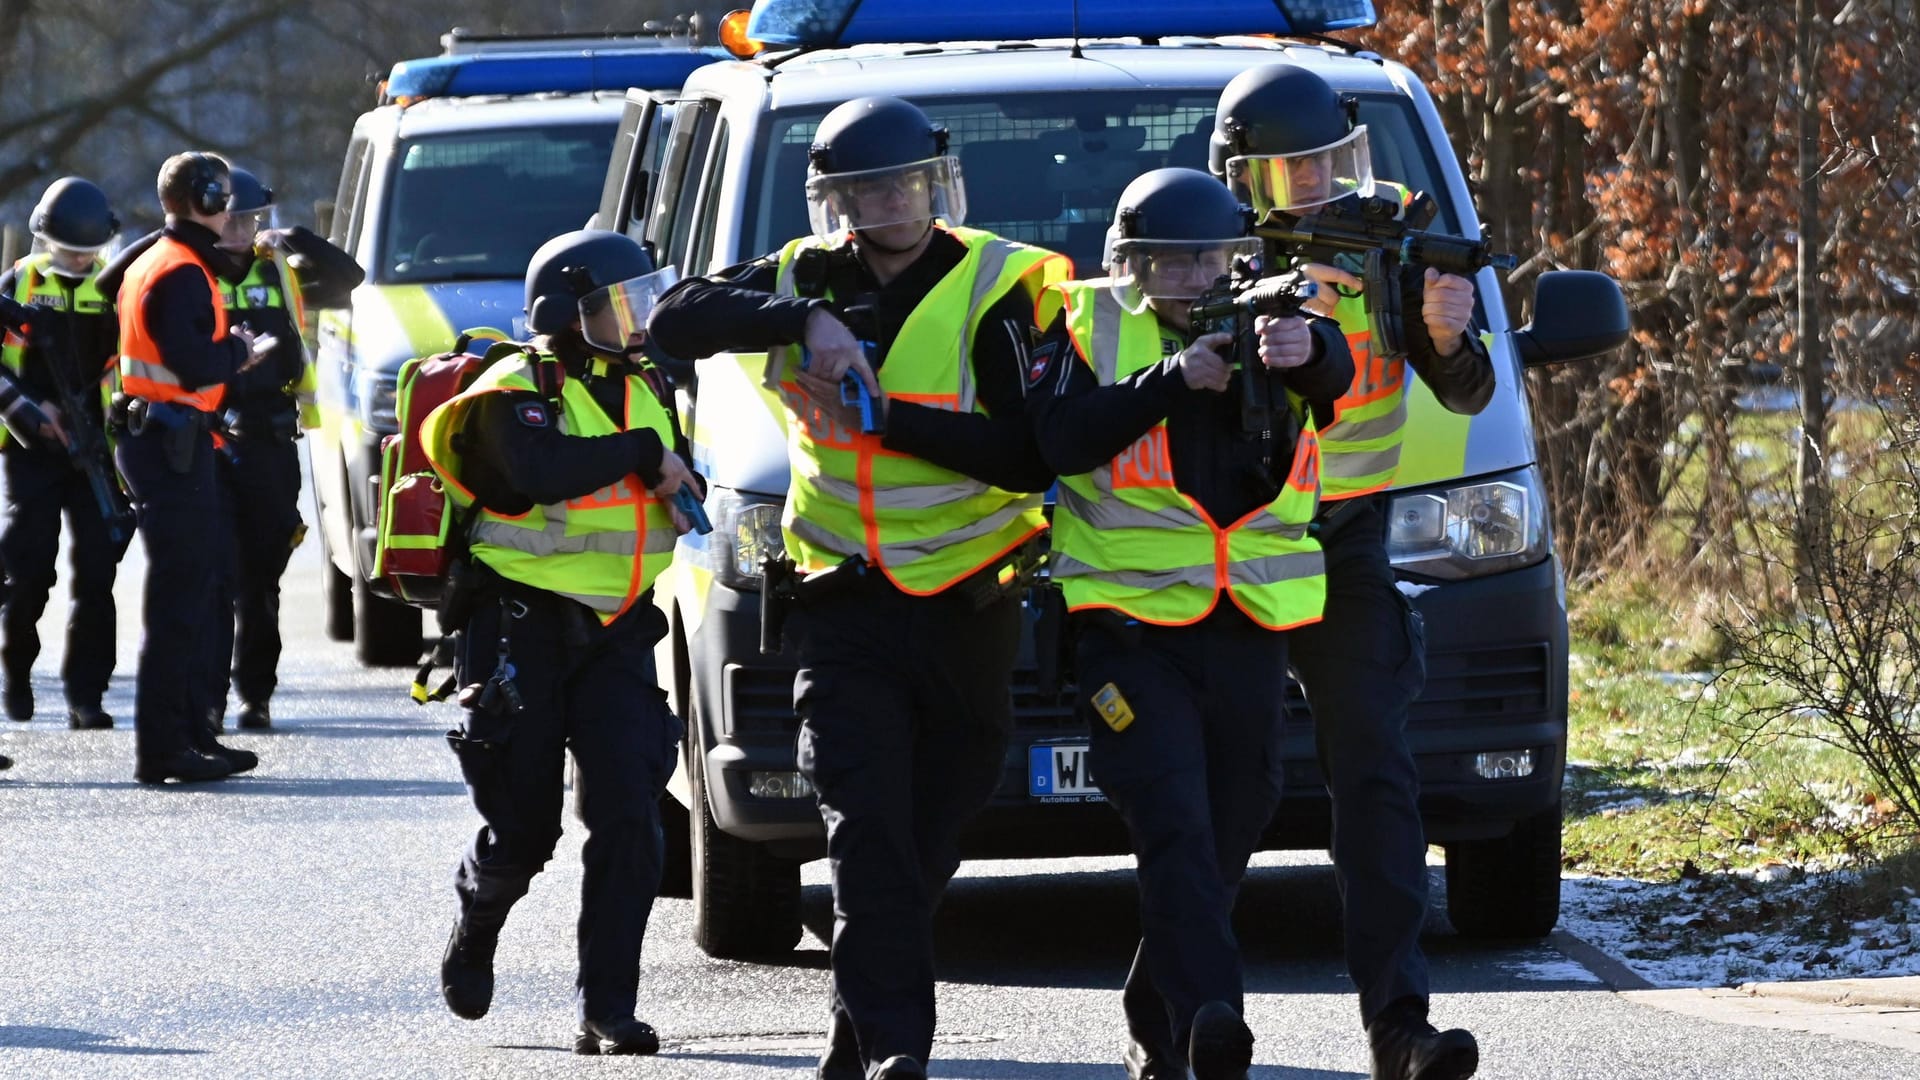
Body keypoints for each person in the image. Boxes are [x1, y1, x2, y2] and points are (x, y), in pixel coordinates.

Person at [648, 95, 1065, 1080]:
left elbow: (1026, 452)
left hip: (968, 607)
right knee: (863, 827)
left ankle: (857, 1024)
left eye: (904, 184)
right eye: (864, 189)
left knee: (925, 837)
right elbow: (673, 318)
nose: (887, 205)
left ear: (936, 186)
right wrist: (807, 319)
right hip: (842, 604)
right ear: (833, 199)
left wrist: (889, 423)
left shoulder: (1001, 285)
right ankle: (895, 1049)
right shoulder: (802, 274)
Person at [1026, 168, 1353, 1080]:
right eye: (1166, 262)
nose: (1191, 275)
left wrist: (1304, 352)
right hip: (1124, 630)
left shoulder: (1274, 314)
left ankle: (1153, 999)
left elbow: (1337, 371)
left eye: (1209, 257)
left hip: (1246, 618)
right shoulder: (1085, 326)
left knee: (1241, 809)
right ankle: (1215, 1017)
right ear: (1128, 264)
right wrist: (1172, 378)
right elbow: (1058, 442)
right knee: (1170, 813)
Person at [1211, 63, 1494, 1080]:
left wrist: (1451, 336)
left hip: (1350, 545)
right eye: (1292, 170)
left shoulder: (1395, 236)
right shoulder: (1204, 246)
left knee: (1377, 776)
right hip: (1231, 553)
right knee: (1225, 790)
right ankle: (1189, 1021)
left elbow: (1464, 391)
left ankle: (1402, 1031)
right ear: (1243, 177)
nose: (1319, 182)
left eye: (1333, 159)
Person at [424, 229, 693, 1055]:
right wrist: (646, 453)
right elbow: (541, 472)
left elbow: (676, 475)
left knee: (630, 820)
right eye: (618, 305)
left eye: (642, 299)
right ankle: (477, 922)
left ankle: (607, 1008)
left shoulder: (649, 385)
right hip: (521, 630)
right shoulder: (514, 388)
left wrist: (683, 478)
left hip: (616, 631)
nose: (638, 318)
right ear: (564, 316)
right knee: (525, 830)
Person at [110, 151, 272, 784]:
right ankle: (163, 749)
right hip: (171, 444)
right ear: (206, 198)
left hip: (168, 439)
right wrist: (238, 350)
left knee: (196, 591)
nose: (230, 206)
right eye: (224, 195)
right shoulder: (180, 270)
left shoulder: (158, 257)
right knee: (181, 600)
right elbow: (193, 364)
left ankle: (187, 735)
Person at [204, 167, 361, 730]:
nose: (242, 230)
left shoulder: (280, 272)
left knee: (261, 578)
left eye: (250, 219)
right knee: (216, 575)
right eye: (233, 219)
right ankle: (210, 699)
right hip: (213, 439)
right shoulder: (191, 274)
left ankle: (256, 694)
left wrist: (292, 236)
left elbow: (349, 276)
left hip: (271, 441)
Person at [0, 177, 133, 730]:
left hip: (96, 449)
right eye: (69, 250)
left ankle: (86, 693)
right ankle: (15, 672)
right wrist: (33, 414)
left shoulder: (114, 286)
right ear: (44, 238)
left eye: (88, 251)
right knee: (26, 569)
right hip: (32, 449)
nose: (80, 261)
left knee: (97, 575)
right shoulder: (21, 283)